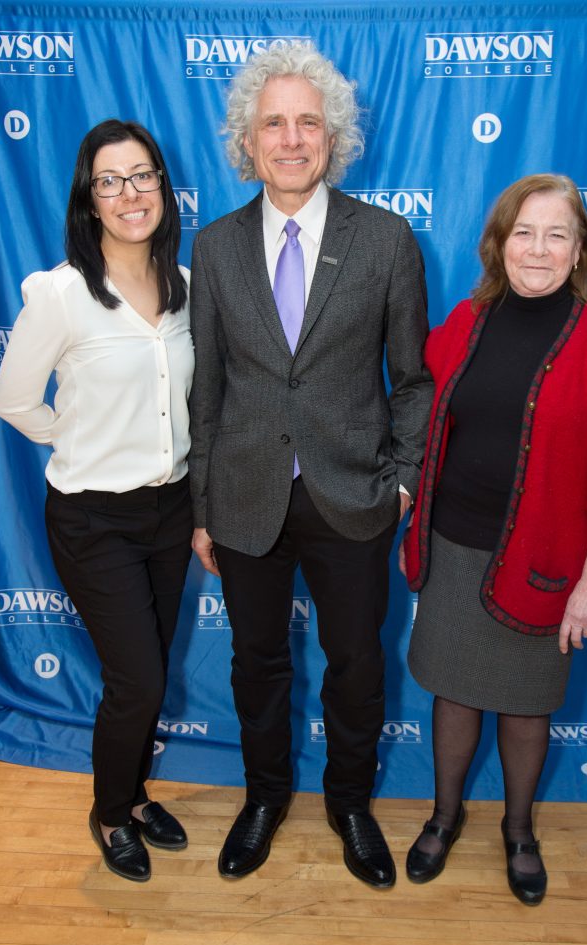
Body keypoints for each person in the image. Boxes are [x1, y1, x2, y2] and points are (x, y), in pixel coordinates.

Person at [189, 42, 432, 888]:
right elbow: (207, 390)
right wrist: (201, 506)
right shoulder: (214, 247)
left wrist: (402, 478)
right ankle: (264, 798)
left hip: (353, 494)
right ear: (247, 143)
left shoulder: (388, 238)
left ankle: (352, 804)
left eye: (307, 122)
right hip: (247, 495)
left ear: (332, 136)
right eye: (273, 124)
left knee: (357, 663)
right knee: (256, 661)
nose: (291, 139)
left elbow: (412, 379)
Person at [401, 173, 587, 905]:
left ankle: (520, 830)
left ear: (580, 251)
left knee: (528, 706)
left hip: (545, 563)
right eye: (524, 233)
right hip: (452, 550)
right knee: (453, 695)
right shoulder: (465, 323)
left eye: (556, 234)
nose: (538, 249)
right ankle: (443, 819)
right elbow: (419, 411)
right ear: (500, 245)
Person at [0, 119, 194, 882]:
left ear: (162, 187)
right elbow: (13, 398)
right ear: (89, 199)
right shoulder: (60, 293)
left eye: (141, 175)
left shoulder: (185, 285)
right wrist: (72, 437)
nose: (128, 193)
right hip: (92, 518)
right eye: (109, 181)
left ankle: (136, 794)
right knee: (137, 678)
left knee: (150, 670)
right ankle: (110, 811)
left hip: (171, 511)